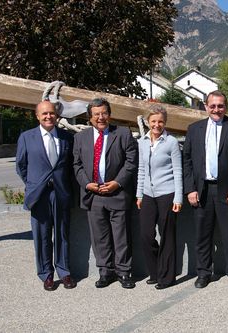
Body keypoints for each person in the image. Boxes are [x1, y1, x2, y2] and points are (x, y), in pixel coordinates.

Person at [183, 90, 228, 291]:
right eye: (212, 105)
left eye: (220, 106)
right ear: (205, 106)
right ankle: (203, 273)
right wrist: (190, 189)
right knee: (202, 235)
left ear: (225, 107)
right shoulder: (194, 129)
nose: (216, 109)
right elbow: (187, 161)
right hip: (202, 190)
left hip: (227, 191)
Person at [73, 97, 138, 289]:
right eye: (96, 114)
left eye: (104, 113)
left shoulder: (123, 134)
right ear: (89, 117)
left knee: (121, 236)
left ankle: (124, 272)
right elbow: (76, 165)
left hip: (117, 193)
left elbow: (131, 161)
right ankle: (105, 272)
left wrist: (117, 183)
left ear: (109, 114)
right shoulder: (80, 138)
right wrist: (87, 184)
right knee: (99, 237)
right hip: (93, 195)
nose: (101, 117)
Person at [16, 100, 76, 291]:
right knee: (41, 236)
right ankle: (46, 274)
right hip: (39, 195)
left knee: (62, 234)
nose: (48, 116)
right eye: (44, 114)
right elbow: (21, 166)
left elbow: (70, 167)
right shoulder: (26, 137)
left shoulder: (67, 137)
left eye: (51, 113)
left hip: (60, 193)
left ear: (56, 115)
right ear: (37, 116)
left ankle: (64, 272)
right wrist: (34, 184)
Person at [136, 106, 182, 290]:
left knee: (167, 236)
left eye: (160, 121)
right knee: (146, 235)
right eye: (153, 121)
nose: (157, 124)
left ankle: (167, 277)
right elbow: (141, 170)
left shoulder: (171, 142)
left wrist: (178, 198)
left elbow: (178, 171)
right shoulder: (142, 142)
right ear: (148, 121)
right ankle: (155, 272)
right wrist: (139, 193)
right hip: (148, 194)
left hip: (167, 194)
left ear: (165, 122)